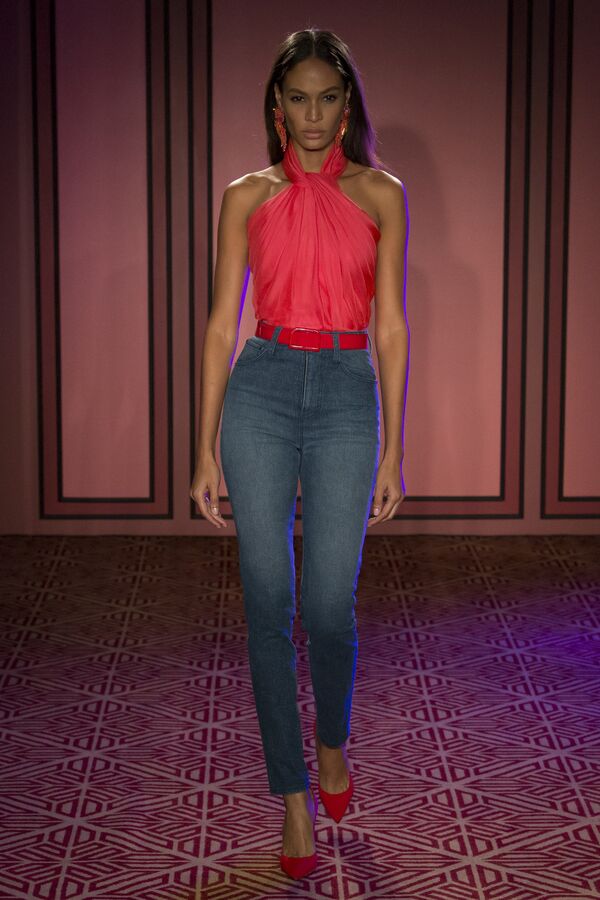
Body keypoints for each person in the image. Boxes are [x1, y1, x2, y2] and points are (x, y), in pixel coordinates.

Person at [190, 28, 409, 880]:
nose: (312, 114)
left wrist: (395, 449)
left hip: (348, 393)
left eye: (327, 97)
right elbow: (220, 325)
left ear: (346, 105)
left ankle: (332, 743)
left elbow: (391, 326)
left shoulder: (381, 193)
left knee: (327, 607)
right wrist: (203, 447)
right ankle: (291, 798)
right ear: (277, 107)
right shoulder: (245, 196)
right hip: (263, 389)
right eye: (297, 98)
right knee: (266, 601)